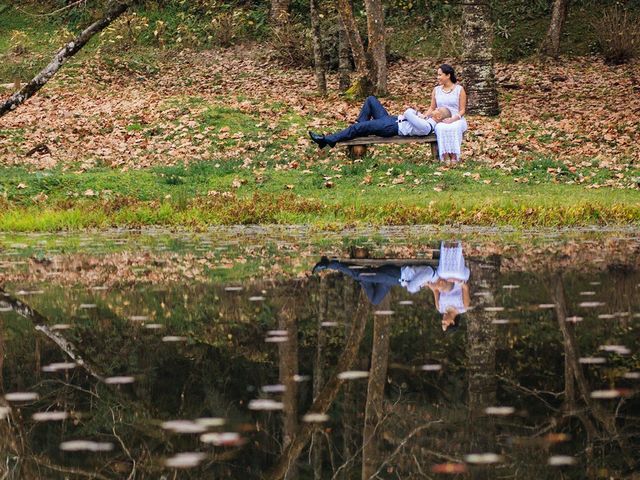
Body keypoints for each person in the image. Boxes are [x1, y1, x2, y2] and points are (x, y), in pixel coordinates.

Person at [308, 96, 451, 149]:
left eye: (438, 110)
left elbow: (408, 112)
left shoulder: (426, 126)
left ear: (439, 117)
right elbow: (411, 114)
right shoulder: (427, 120)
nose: (435, 108)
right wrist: (417, 114)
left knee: (358, 127)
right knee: (371, 100)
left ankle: (327, 140)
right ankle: (359, 129)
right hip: (391, 120)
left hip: (390, 127)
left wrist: (415, 113)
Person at [311, 256, 438, 305]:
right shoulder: (430, 274)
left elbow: (413, 286)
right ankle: (329, 264)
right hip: (394, 274)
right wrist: (422, 286)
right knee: (357, 275)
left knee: (375, 300)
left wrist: (421, 285)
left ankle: (366, 277)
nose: (437, 288)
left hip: (395, 281)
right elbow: (411, 288)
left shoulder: (430, 279)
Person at [425, 64, 468, 165]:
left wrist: (453, 119)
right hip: (440, 118)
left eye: (440, 75)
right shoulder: (436, 90)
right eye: (438, 75)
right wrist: (425, 116)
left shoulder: (459, 89)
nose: (438, 77)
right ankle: (444, 155)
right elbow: (432, 107)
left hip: (456, 118)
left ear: (448, 75)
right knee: (440, 127)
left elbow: (462, 110)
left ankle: (454, 155)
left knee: (454, 127)